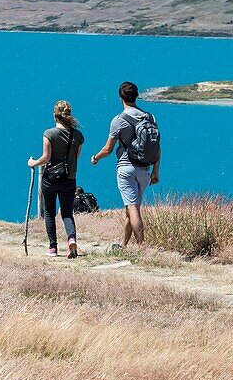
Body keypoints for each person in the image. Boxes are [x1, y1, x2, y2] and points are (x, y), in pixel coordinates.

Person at [90, 81, 161, 247]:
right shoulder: (150, 117)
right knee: (131, 208)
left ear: (120, 98)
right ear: (137, 96)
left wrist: (95, 157)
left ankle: (142, 247)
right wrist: (156, 171)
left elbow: (108, 149)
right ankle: (123, 245)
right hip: (145, 169)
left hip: (126, 168)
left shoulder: (118, 120)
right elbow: (157, 147)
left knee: (133, 209)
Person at [28, 100, 84, 258]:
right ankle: (71, 238)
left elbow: (46, 158)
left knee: (49, 213)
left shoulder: (49, 134)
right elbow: (77, 155)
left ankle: (53, 247)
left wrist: (33, 162)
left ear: (55, 115)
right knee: (67, 213)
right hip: (69, 178)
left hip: (50, 179)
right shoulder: (78, 135)